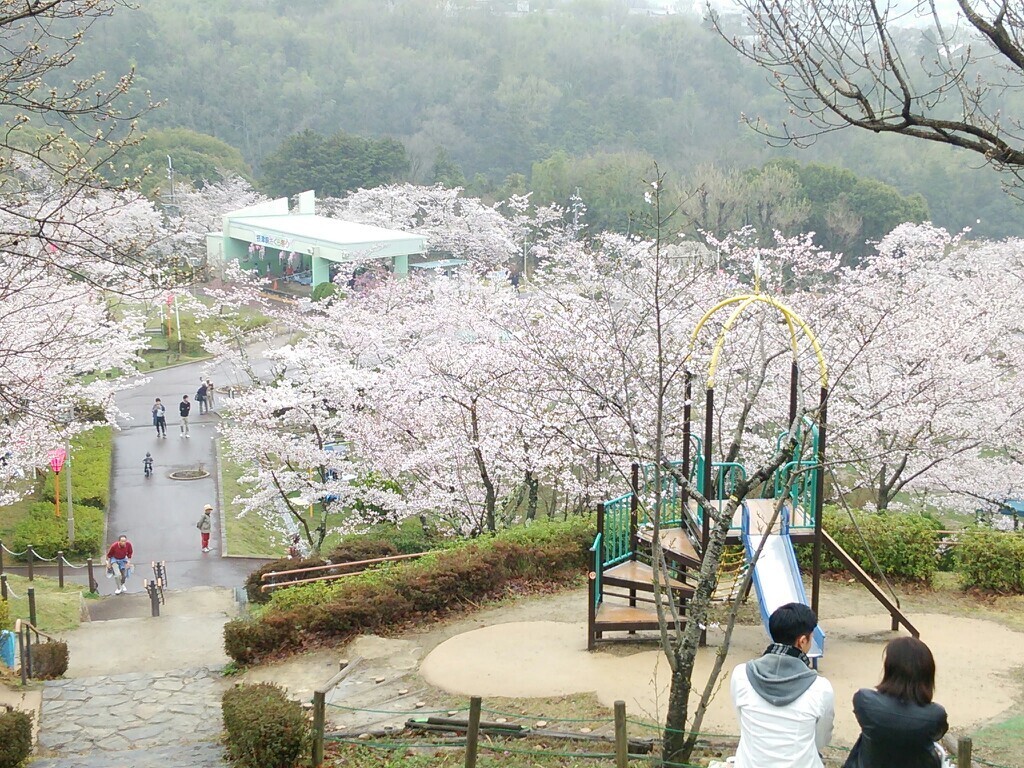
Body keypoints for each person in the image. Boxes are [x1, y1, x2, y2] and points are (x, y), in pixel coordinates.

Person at [730, 602, 834, 768]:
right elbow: (822, 739)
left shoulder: (741, 674)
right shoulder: (821, 688)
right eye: (811, 637)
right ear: (802, 641)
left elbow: (743, 724)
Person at [843, 637, 949, 768]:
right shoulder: (935, 716)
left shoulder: (865, 701)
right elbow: (938, 733)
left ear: (890, 669)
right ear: (927, 673)